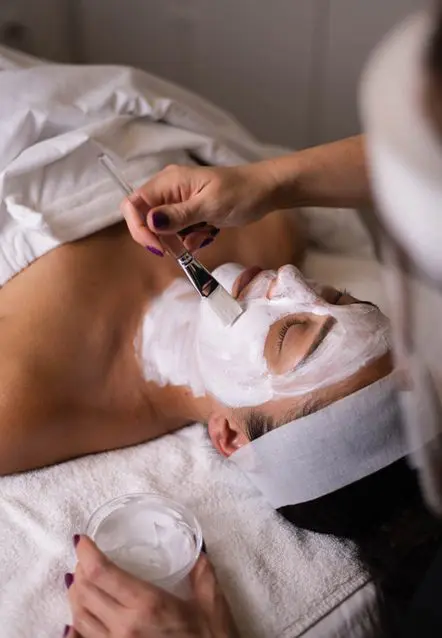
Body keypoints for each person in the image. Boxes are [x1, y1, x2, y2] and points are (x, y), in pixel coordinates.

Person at [68, 5, 442, 638]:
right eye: (338, 295)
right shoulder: (275, 227)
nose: (293, 281)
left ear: (231, 437)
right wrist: (266, 181)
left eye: (289, 332)